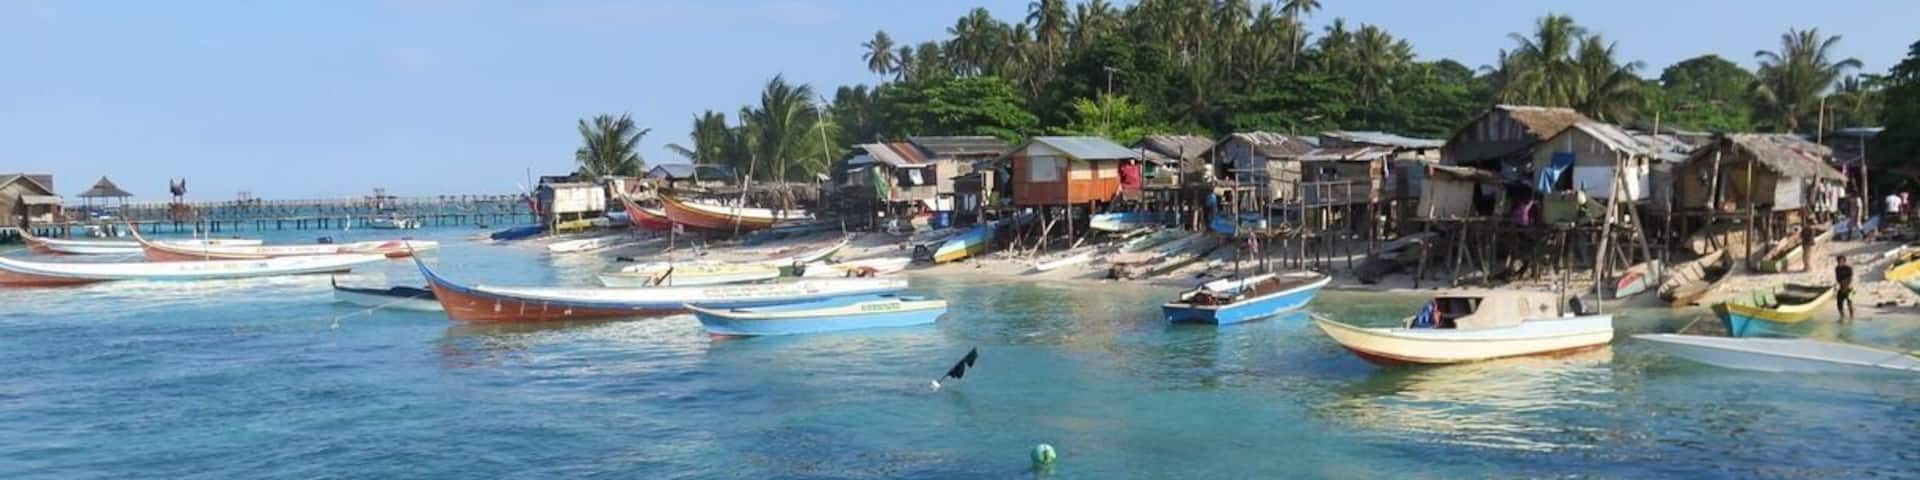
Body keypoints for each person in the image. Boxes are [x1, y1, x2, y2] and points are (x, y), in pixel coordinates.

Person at [1834, 255, 1855, 322]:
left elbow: (1850, 279)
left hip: (1849, 288)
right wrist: (1840, 286)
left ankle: (1851, 317)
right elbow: (1837, 278)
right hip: (1841, 287)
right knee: (1839, 303)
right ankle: (1842, 316)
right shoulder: (1837, 268)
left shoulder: (1848, 268)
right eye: (1838, 261)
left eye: (1840, 261)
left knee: (1849, 302)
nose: (1839, 263)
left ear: (1844, 261)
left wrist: (1845, 287)